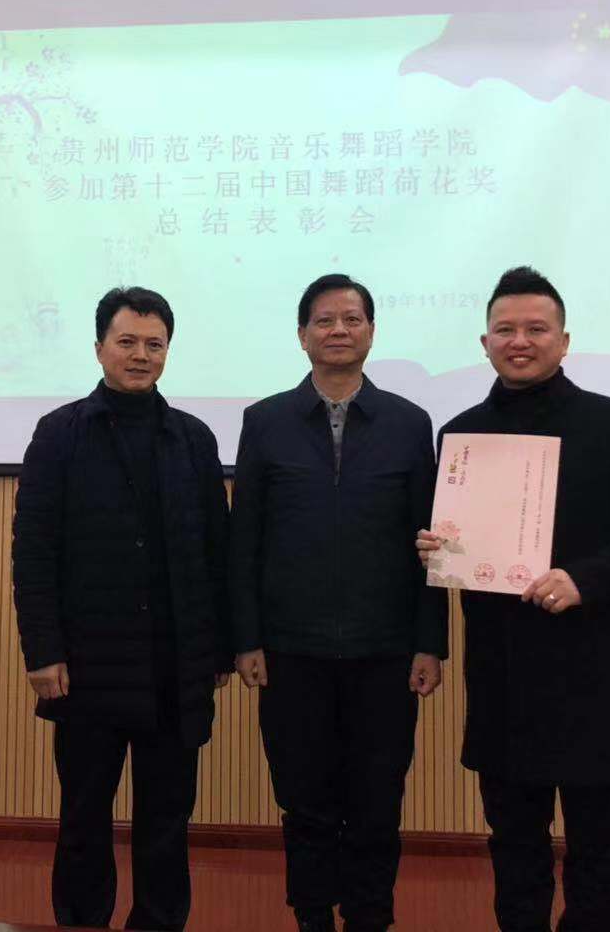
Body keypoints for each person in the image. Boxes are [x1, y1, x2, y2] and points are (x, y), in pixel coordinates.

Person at [416, 266, 610, 932]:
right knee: (513, 843)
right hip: (504, 673)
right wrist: (437, 547)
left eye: (536, 329)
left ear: (564, 341)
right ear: (484, 343)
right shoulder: (462, 436)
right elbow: (455, 542)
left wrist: (585, 579)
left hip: (596, 668)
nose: (520, 341)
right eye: (505, 329)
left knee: (599, 846)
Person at [229, 272, 448, 932]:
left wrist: (430, 643)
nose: (338, 331)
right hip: (290, 650)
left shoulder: (409, 423)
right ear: (302, 336)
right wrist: (246, 638)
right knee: (305, 803)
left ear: (371, 332)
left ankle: (370, 917)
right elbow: (244, 541)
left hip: (386, 651)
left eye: (352, 319)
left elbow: (431, 548)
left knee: (378, 802)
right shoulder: (265, 421)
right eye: (324, 320)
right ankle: (313, 916)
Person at [12, 286, 232, 932]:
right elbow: (34, 551)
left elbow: (216, 551)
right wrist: (43, 651)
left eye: (154, 344)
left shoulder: (193, 439)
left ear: (168, 351)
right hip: (87, 668)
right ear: (99, 347)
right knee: (84, 819)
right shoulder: (59, 434)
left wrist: (218, 651)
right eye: (127, 341)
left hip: (174, 670)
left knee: (167, 821)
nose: (141, 355)